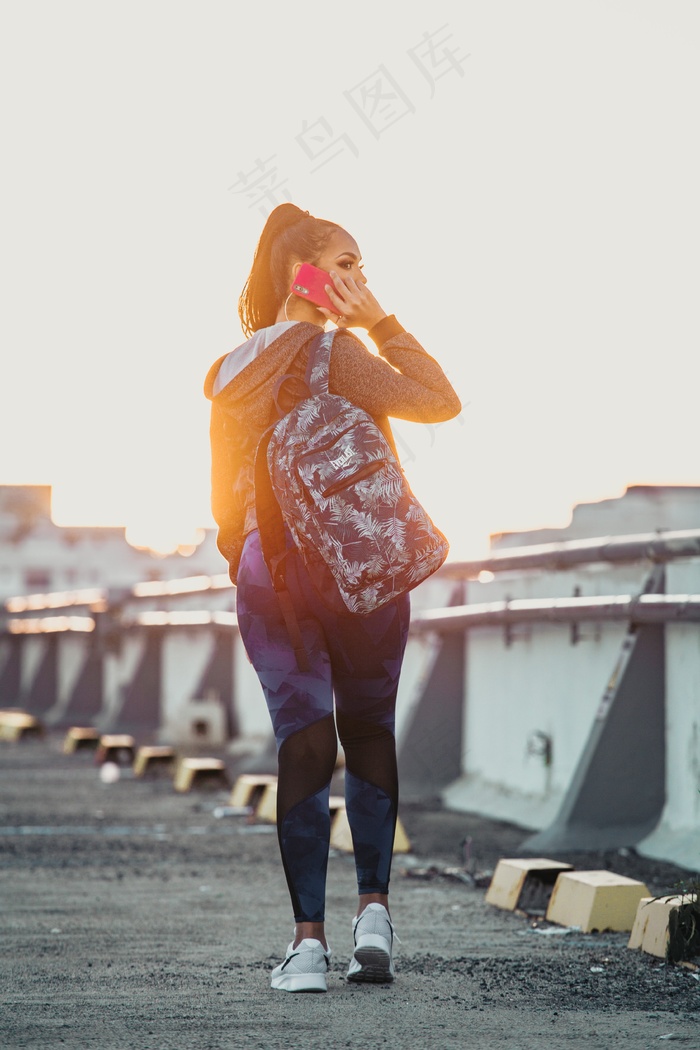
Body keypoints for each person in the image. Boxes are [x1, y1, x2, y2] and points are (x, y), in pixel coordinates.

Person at [204, 203, 461, 992]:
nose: (358, 280)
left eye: (361, 268)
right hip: (362, 559)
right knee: (370, 728)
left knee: (303, 741)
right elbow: (436, 399)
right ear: (302, 272)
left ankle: (307, 948)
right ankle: (373, 918)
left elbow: (222, 502)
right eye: (345, 265)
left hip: (267, 570)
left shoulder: (231, 369)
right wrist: (379, 319)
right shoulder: (337, 352)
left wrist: (254, 562)